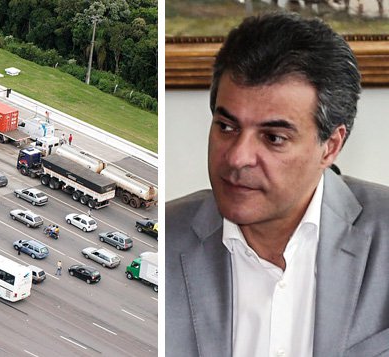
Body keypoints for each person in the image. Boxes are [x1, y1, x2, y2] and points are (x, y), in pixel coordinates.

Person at [166, 13, 389, 357]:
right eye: (226, 127)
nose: (238, 158)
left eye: (273, 137)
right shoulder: (167, 235)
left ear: (330, 146)